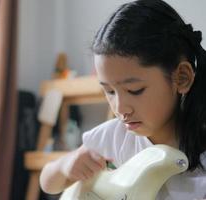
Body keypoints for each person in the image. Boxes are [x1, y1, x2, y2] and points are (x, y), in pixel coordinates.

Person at [39, 0, 206, 199]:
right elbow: (48, 183)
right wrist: (64, 166)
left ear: (182, 78)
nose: (120, 108)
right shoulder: (113, 137)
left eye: (134, 90)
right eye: (109, 91)